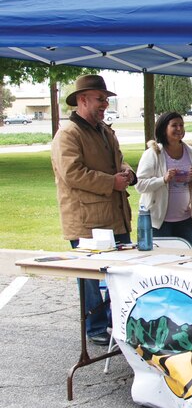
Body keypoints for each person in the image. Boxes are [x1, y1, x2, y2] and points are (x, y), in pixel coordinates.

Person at [51, 74, 136, 346]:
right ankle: (95, 326)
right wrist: (111, 182)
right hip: (87, 221)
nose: (105, 105)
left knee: (121, 272)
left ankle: (116, 322)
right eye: (100, 99)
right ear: (82, 99)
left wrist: (128, 173)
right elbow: (72, 173)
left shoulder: (104, 130)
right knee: (89, 277)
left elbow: (119, 162)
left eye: (106, 100)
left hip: (115, 217)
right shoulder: (68, 134)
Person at [135, 112, 192, 249]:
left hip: (186, 221)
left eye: (181, 125)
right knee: (161, 262)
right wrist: (163, 179)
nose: (179, 129)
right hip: (159, 223)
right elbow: (139, 185)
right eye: (174, 125)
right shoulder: (154, 153)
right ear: (163, 129)